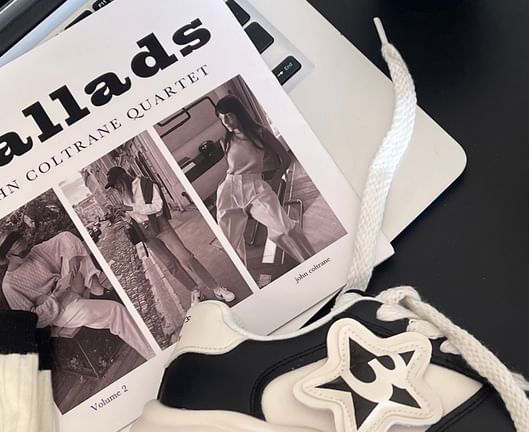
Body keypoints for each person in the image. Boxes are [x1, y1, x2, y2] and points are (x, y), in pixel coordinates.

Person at [0, 228, 152, 359]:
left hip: (68, 287)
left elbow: (65, 237)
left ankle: (97, 290)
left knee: (75, 253)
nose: (28, 253)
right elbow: (32, 321)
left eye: (27, 248)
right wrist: (55, 296)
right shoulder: (10, 285)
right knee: (116, 311)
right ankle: (152, 354)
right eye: (22, 253)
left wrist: (73, 258)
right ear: (8, 256)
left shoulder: (35, 252)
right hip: (60, 310)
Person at [105, 166, 235, 305]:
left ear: (123, 179)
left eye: (116, 184)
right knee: (170, 264)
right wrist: (124, 215)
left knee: (186, 257)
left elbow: (157, 207)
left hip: (161, 226)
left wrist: (131, 208)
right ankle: (194, 291)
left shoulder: (147, 184)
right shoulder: (125, 195)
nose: (116, 188)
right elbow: (134, 217)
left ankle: (216, 288)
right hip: (145, 233)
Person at [214, 96, 316, 267]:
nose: (225, 122)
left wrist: (275, 181)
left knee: (286, 230)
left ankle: (312, 262)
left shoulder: (260, 133)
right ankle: (247, 273)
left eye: (228, 116)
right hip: (229, 190)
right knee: (228, 244)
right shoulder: (225, 141)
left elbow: (285, 159)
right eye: (221, 118)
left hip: (256, 187)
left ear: (238, 113)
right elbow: (232, 168)